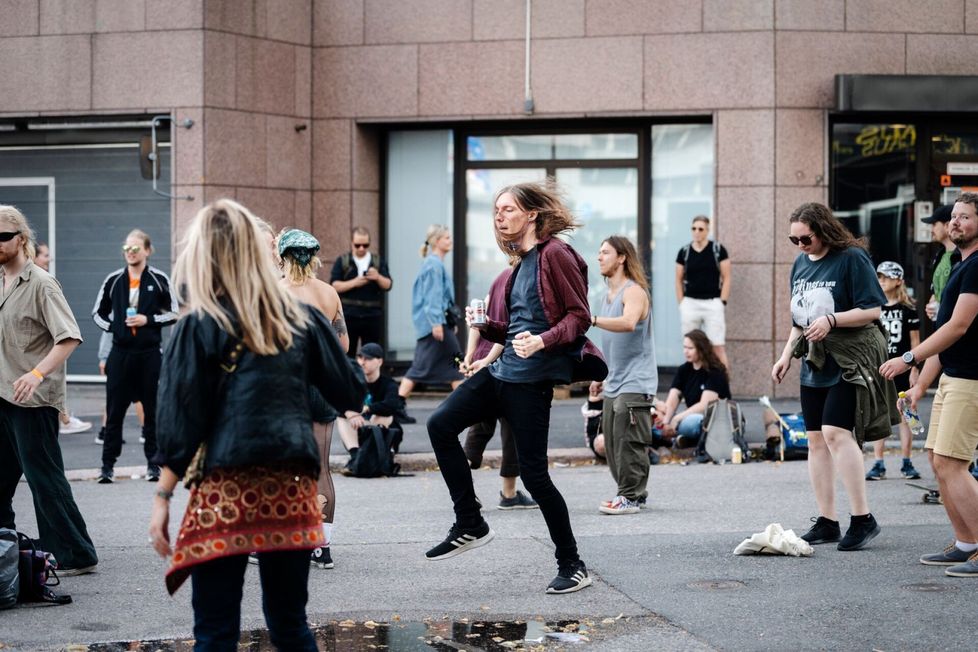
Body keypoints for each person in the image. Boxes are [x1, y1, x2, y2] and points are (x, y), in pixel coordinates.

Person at [148, 199, 365, 649]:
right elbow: (348, 389)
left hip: (226, 485)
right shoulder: (300, 318)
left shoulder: (197, 325)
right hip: (289, 486)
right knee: (289, 624)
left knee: (215, 629)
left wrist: (164, 496)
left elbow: (179, 423)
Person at [425, 182, 606, 594]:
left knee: (536, 477)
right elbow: (519, 328)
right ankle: (470, 521)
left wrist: (543, 340)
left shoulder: (554, 254)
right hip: (502, 373)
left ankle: (572, 564)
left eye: (507, 209)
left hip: (531, 383)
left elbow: (580, 316)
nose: (499, 216)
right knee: (439, 425)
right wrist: (487, 327)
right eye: (495, 210)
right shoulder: (520, 264)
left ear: (532, 215)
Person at [772, 202, 898, 552]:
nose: (800, 245)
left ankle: (863, 518)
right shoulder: (800, 264)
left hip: (851, 356)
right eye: (793, 239)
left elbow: (873, 309)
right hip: (815, 360)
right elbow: (799, 321)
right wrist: (784, 357)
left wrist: (832, 320)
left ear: (823, 229)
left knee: (836, 432)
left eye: (805, 238)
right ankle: (827, 521)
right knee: (815, 439)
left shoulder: (851, 258)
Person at [880, 192, 978, 578]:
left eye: (966, 217)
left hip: (972, 378)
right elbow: (944, 333)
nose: (956, 222)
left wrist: (909, 357)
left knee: (953, 464)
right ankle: (966, 543)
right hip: (953, 375)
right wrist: (919, 385)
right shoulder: (957, 263)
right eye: (953, 216)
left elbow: (959, 326)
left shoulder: (977, 267)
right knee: (939, 462)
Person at [0, 205, 98, 575]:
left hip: (32, 400)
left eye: (3, 236)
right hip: (2, 396)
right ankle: (5, 547)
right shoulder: (0, 280)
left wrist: (36, 374)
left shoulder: (41, 283)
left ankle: (75, 552)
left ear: (21, 240)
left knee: (44, 479)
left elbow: (69, 337)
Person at [277, 228, 349, 570]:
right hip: (322, 386)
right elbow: (344, 345)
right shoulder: (329, 293)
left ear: (283, 257)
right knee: (320, 466)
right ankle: (322, 546)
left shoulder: (276, 292)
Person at [93, 229, 178, 483]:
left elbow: (174, 313)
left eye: (136, 248)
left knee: (152, 412)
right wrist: (116, 326)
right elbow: (97, 313)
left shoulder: (160, 279)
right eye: (127, 249)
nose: (130, 253)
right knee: (114, 411)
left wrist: (148, 320)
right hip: (120, 354)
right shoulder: (113, 280)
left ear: (147, 250)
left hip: (149, 355)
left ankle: (154, 465)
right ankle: (107, 467)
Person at [460, 267, 538, 510]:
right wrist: (487, 360)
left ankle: (466, 491)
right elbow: (508, 333)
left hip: (485, 364)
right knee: (511, 428)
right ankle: (508, 493)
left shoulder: (497, 281)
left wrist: (470, 355)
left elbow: (476, 322)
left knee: (480, 428)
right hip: (504, 367)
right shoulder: (520, 283)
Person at [590, 236, 658, 515]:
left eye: (605, 252)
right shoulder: (606, 296)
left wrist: (591, 320)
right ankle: (630, 494)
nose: (599, 257)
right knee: (614, 443)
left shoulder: (634, 292)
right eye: (598, 252)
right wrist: (600, 374)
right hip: (615, 380)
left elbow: (628, 323)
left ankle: (630, 496)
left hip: (636, 381)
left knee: (630, 442)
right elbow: (612, 344)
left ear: (621, 257)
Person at [866, 261, 922, 481]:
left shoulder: (908, 309)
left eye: (886, 277)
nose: (881, 281)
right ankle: (878, 463)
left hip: (903, 368)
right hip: (879, 368)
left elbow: (915, 342)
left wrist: (915, 369)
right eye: (879, 277)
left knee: (907, 414)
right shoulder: (874, 309)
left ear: (898, 280)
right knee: (879, 415)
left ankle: (907, 462)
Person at [399, 225, 464, 407]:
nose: (450, 241)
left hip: (438, 324)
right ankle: (396, 406)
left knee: (454, 367)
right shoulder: (433, 265)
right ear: (437, 241)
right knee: (455, 364)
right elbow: (432, 297)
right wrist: (437, 323)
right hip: (434, 326)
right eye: (447, 238)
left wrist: (447, 322)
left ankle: (397, 405)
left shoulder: (434, 264)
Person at [33, 240, 93, 436]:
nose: (49, 258)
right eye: (45, 255)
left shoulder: (45, 282)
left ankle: (65, 420)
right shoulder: (34, 283)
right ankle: (65, 420)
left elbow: (69, 337)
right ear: (33, 256)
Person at [657, 330, 731, 450]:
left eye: (690, 348)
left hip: (713, 419)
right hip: (689, 417)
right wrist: (665, 422)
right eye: (684, 347)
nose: (685, 351)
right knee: (657, 421)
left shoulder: (715, 371)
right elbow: (672, 400)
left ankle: (680, 437)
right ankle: (680, 438)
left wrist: (676, 419)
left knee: (692, 422)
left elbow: (704, 405)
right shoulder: (683, 370)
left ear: (701, 349)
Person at [336, 342, 405, 471]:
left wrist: (367, 409)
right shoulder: (354, 382)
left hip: (384, 433)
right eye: (360, 358)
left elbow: (392, 404)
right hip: (360, 432)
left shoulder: (389, 384)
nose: (362, 362)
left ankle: (373, 454)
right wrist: (349, 413)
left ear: (379, 361)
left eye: (367, 359)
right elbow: (339, 403)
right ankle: (355, 455)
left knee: (383, 416)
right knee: (342, 417)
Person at [675, 215, 731, 368]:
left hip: (712, 303)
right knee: (690, 347)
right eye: (694, 228)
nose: (697, 232)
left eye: (700, 229)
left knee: (717, 346)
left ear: (707, 230)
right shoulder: (684, 252)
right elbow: (678, 279)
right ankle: (692, 386)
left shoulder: (718, 250)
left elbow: (727, 277)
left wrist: (722, 301)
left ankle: (723, 388)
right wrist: (682, 303)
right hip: (690, 303)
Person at [330, 226, 392, 356]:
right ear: (352, 243)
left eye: (365, 245)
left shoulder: (377, 261)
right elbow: (334, 285)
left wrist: (377, 277)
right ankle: (349, 376)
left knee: (372, 353)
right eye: (358, 245)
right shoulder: (343, 261)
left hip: (372, 315)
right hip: (348, 314)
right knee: (346, 353)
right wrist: (355, 282)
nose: (362, 248)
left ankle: (369, 376)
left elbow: (388, 284)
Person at [923, 204, 955, 321]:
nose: (931, 230)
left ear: (947, 226)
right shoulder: (940, 254)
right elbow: (936, 291)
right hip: (940, 323)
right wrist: (932, 303)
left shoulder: (965, 257)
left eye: (934, 224)